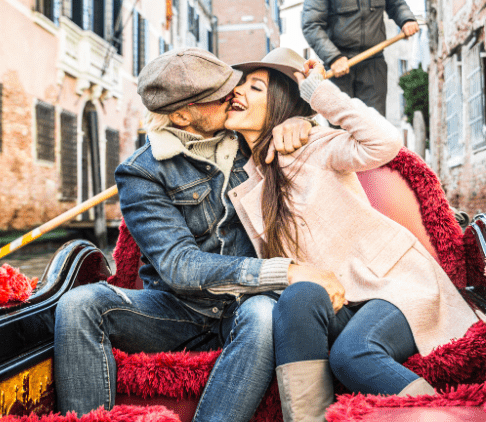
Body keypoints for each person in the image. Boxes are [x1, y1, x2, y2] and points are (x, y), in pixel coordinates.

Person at [53, 48, 340, 422]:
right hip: (177, 310)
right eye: (221, 95)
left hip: (248, 304)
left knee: (264, 313)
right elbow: (179, 267)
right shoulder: (141, 173)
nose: (234, 95)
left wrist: (304, 122)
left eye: (232, 85)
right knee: (78, 305)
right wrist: (285, 272)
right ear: (183, 115)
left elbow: (310, 138)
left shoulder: (247, 139)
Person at [224, 48, 478, 422]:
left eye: (255, 87)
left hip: (393, 285)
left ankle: (449, 418)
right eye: (239, 85)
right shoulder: (246, 178)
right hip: (342, 301)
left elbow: (383, 142)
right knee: (297, 297)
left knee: (352, 353)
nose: (238, 92)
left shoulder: (316, 145)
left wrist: (318, 98)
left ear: (278, 102)